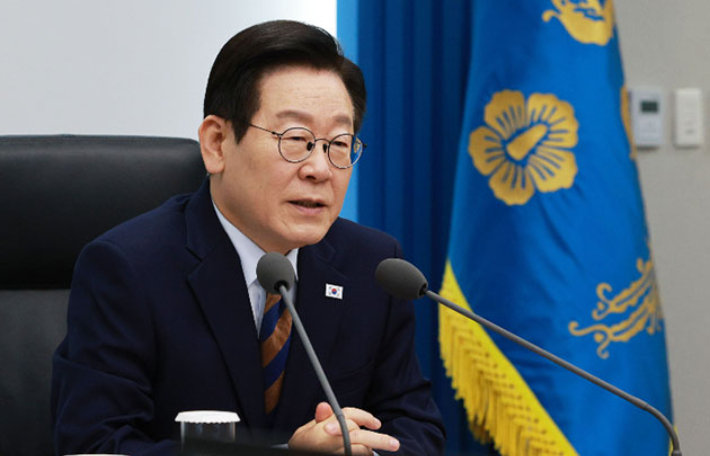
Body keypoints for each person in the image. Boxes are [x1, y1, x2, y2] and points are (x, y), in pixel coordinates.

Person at [51, 20, 445, 455]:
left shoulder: (372, 266)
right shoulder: (128, 268)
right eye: (295, 139)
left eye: (338, 143)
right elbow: (95, 444)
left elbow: (415, 427)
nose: (320, 169)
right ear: (217, 143)